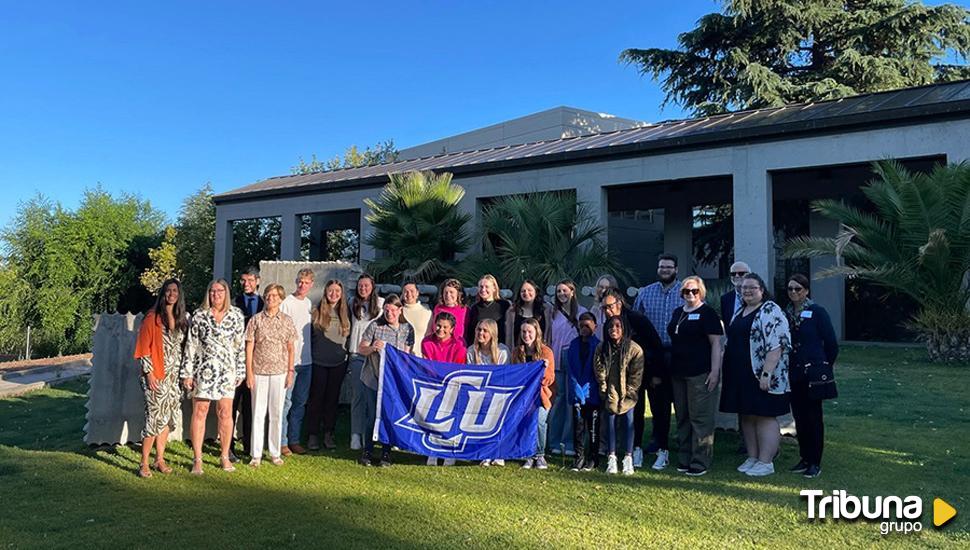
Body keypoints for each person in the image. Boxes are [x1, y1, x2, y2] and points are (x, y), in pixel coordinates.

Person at [720, 273, 791, 477]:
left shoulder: (769, 309)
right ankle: (753, 457)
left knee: (764, 415)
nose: (747, 291)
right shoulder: (740, 311)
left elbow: (776, 345)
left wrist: (767, 373)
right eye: (743, 288)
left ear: (762, 289)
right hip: (739, 373)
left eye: (752, 287)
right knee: (747, 415)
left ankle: (766, 461)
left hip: (762, 374)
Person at [181, 279, 246, 475]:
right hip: (203, 370)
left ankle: (225, 456)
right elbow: (191, 345)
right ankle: (197, 458)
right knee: (200, 411)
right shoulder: (200, 315)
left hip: (227, 371)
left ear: (226, 293)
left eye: (220, 291)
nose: (216, 295)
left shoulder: (236, 315)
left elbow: (239, 346)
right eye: (212, 291)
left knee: (225, 413)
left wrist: (241, 371)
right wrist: (187, 373)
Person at [631, 253, 683, 470]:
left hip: (677, 353)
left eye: (669, 267)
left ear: (676, 269)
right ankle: (652, 441)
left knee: (676, 401)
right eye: (662, 267)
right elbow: (634, 320)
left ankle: (679, 441)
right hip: (650, 355)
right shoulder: (645, 292)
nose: (665, 270)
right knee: (651, 402)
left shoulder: (686, 292)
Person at [667, 276, 723, 476]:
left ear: (701, 292)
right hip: (678, 373)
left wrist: (715, 372)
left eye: (694, 291)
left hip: (701, 373)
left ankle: (700, 461)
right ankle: (684, 458)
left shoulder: (707, 313)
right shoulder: (677, 312)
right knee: (683, 416)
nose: (690, 294)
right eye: (686, 291)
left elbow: (716, 344)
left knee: (700, 418)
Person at [785, 273, 838, 479]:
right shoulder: (787, 313)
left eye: (798, 289)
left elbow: (831, 343)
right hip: (794, 371)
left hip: (813, 371)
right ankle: (804, 457)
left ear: (806, 291)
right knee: (799, 416)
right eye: (790, 289)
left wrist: (824, 366)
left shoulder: (817, 312)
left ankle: (815, 461)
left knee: (813, 417)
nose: (794, 293)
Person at [133, 278, 188, 478]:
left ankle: (160, 459)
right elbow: (143, 349)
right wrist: (149, 375)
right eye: (168, 290)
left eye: (175, 291)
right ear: (163, 293)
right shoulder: (152, 318)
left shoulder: (182, 319)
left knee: (167, 419)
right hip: (156, 375)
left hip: (173, 378)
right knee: (154, 419)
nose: (172, 294)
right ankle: (144, 462)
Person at [358, 294, 414, 467]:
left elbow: (406, 355)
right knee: (372, 416)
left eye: (393, 310)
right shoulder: (375, 325)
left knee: (389, 416)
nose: (389, 313)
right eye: (386, 310)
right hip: (373, 377)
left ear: (400, 310)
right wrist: (373, 347)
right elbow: (361, 348)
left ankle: (386, 452)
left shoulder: (407, 329)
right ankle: (367, 450)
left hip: (392, 382)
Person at [244, 283, 297, 467]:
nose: (270, 298)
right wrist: (248, 372)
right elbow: (249, 346)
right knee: (258, 413)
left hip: (280, 372)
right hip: (259, 371)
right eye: (268, 295)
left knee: (276, 413)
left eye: (274, 296)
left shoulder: (287, 321)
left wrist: (290, 372)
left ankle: (275, 452)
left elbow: (291, 348)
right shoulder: (255, 319)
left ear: (281, 299)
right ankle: (256, 454)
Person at [595, 315, 644, 476]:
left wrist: (629, 393)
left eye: (617, 326)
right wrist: (604, 389)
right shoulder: (602, 348)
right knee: (609, 423)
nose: (613, 330)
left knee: (629, 423)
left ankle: (628, 458)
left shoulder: (634, 349)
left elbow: (636, 375)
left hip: (628, 394)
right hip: (610, 391)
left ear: (624, 329)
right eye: (610, 327)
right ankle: (612, 457)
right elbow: (599, 370)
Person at [305, 279, 350, 451]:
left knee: (332, 400)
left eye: (337, 291)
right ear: (325, 292)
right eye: (331, 291)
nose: (334, 294)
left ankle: (329, 433)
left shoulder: (346, 313)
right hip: (318, 363)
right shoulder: (316, 311)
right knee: (316, 400)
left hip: (338, 363)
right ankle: (312, 434)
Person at [546, 280, 587, 457]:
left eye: (565, 290)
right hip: (556, 358)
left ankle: (570, 441)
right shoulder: (552, 313)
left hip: (574, 358)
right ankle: (553, 441)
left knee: (573, 399)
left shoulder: (582, 312)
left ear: (572, 291)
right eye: (559, 291)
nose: (562, 294)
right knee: (559, 399)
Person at [420, 310, 466, 466]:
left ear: (452, 329)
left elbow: (457, 368)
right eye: (438, 326)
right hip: (432, 384)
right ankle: (432, 451)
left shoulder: (459, 344)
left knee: (451, 420)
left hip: (452, 385)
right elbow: (427, 364)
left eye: (445, 327)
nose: (441, 329)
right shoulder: (427, 342)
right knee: (432, 418)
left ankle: (449, 452)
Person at [511, 318, 555, 470]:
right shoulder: (517, 352)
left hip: (541, 396)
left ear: (537, 333)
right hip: (524, 397)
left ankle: (540, 455)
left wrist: (541, 371)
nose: (526, 335)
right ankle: (529, 455)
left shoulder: (546, 352)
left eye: (530, 331)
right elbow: (515, 374)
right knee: (526, 424)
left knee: (540, 423)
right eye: (523, 331)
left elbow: (550, 378)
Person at [280, 268, 315, 456]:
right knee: (286, 402)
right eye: (300, 281)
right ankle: (281, 441)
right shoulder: (287, 303)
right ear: (296, 282)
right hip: (289, 362)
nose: (302, 285)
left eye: (306, 282)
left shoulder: (309, 303)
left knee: (300, 403)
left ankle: (294, 439)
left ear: (311, 285)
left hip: (307, 361)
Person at [229, 267, 263, 462]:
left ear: (257, 281)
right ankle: (229, 446)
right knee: (231, 406)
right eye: (243, 280)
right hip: (236, 362)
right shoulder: (234, 302)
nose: (246, 283)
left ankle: (250, 445)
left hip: (256, 362)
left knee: (251, 407)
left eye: (250, 280)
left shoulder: (264, 303)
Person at [466, 319, 511, 467]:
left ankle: (498, 454)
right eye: (479, 330)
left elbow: (505, 376)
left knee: (498, 422)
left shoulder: (502, 351)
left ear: (492, 333)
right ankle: (485, 454)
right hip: (478, 394)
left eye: (485, 331)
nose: (481, 333)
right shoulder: (472, 351)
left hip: (498, 393)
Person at [348, 273, 384, 450]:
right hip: (356, 354)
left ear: (372, 287)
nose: (363, 288)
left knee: (373, 396)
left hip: (373, 356)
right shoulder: (351, 303)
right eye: (360, 286)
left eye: (366, 286)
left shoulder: (381, 305)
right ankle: (355, 434)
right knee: (357, 395)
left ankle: (369, 435)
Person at [567, 312, 600, 472]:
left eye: (588, 325)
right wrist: (576, 389)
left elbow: (598, 371)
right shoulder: (573, 345)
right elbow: (571, 369)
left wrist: (587, 389)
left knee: (592, 427)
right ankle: (578, 457)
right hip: (576, 393)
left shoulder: (598, 345)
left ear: (595, 326)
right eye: (581, 326)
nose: (584, 329)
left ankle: (593, 458)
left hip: (592, 394)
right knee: (578, 427)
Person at [465, 274, 511, 345]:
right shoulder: (475, 308)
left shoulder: (504, 305)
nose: (483, 289)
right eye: (481, 287)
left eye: (487, 287)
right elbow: (471, 331)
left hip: (499, 347)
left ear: (494, 288)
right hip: (480, 348)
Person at [504, 279, 550, 349]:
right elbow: (508, 335)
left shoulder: (546, 309)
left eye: (529, 290)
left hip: (541, 352)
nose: (526, 293)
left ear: (536, 292)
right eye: (523, 291)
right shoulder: (512, 311)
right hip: (519, 353)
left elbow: (549, 332)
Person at [427, 278, 468, 345]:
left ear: (458, 294)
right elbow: (432, 328)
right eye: (445, 292)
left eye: (451, 292)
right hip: (438, 347)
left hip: (458, 347)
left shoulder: (465, 310)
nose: (448, 295)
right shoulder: (438, 308)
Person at [401, 281, 432, 357]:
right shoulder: (398, 311)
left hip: (420, 356)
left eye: (412, 291)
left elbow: (429, 336)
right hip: (401, 356)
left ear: (417, 293)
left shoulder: (427, 312)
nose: (409, 294)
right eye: (405, 291)